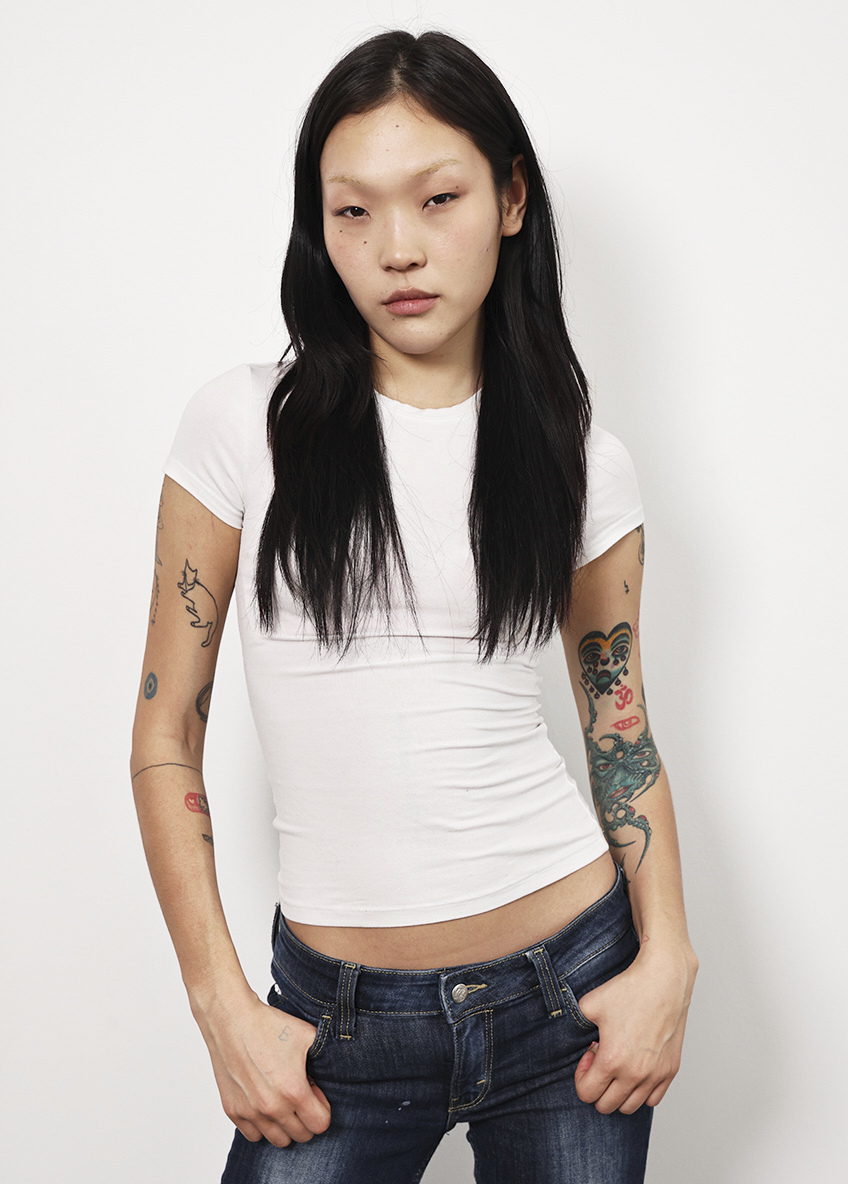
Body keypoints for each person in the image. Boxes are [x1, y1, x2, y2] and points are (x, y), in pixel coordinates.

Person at [130, 28, 698, 1184]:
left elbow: (619, 728)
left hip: (569, 995)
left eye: (437, 198)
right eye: (353, 211)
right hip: (331, 1025)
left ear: (509, 198)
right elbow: (163, 730)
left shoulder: (580, 462)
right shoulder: (241, 427)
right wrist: (220, 1003)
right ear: (319, 225)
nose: (397, 247)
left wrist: (668, 961)